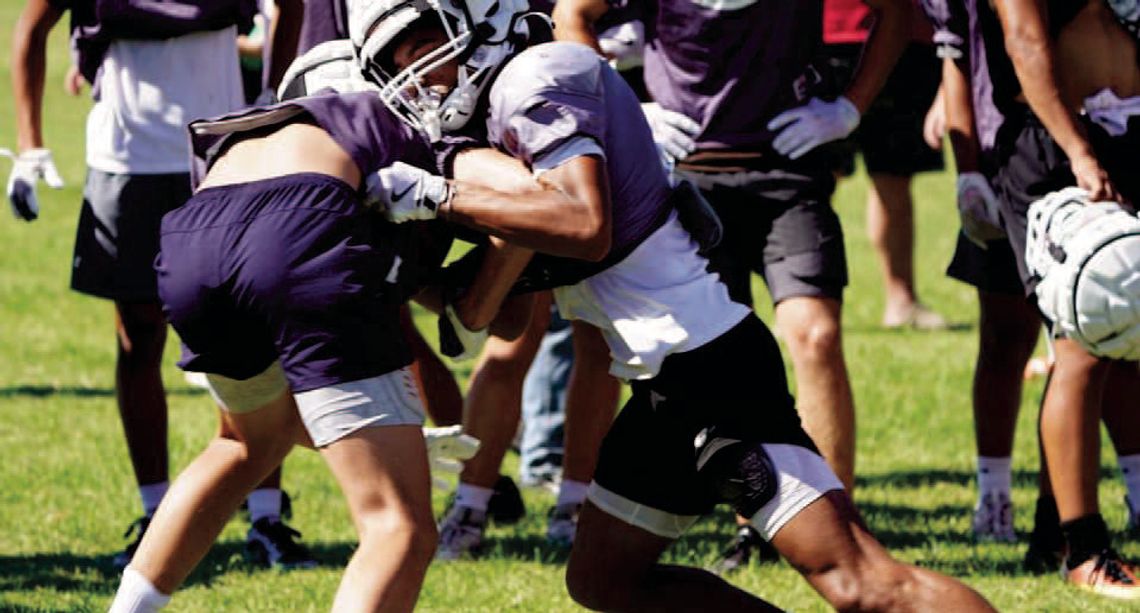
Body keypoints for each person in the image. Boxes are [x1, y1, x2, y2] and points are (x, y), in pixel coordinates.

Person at [354, 2, 996, 609]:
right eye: (395, 60)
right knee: (604, 581)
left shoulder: (539, 76)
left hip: (708, 369)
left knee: (860, 581)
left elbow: (584, 225)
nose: (415, 75)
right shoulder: (502, 111)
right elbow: (493, 314)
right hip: (660, 385)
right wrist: (387, 263)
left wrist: (441, 198)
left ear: (478, 21)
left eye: (420, 47)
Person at [105, 59, 537, 607]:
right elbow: (523, 200)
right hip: (302, 228)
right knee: (398, 526)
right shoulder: (393, 120)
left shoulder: (264, 130)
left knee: (244, 442)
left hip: (195, 232)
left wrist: (373, 434)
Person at [553, 0, 912, 570]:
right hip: (683, 178)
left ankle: (843, 532)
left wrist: (849, 107)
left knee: (815, 336)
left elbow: (897, 11)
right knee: (717, 366)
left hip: (788, 171)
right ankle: (757, 526)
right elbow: (572, 14)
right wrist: (625, 108)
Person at [9, 0, 317, 570]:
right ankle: (155, 511)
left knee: (251, 339)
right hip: (127, 159)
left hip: (223, 151)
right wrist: (31, 146)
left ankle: (266, 516)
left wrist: (273, 91)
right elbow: (30, 27)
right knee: (139, 336)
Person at [980, 0, 1140, 597]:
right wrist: (1077, 149)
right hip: (1058, 146)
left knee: (1124, 338)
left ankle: (1052, 532)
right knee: (1086, 335)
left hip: (1127, 131)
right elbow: (1024, 39)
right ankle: (1085, 549)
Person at [825, 0, 949, 330]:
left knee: (895, 175)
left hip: (904, 38)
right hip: (824, 36)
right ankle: (804, 303)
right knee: (814, 183)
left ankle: (902, 301)